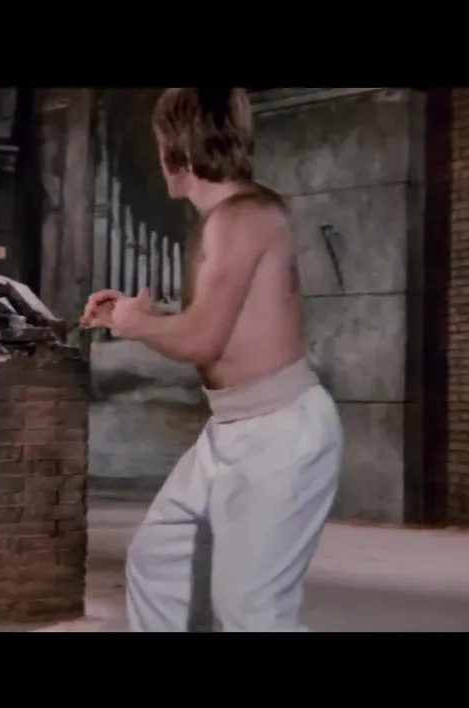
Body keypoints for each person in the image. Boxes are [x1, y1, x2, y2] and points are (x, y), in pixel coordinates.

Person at [81, 88, 343, 632]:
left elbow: (201, 340)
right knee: (159, 560)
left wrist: (134, 324)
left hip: (278, 431)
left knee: (252, 612)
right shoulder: (229, 216)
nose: (158, 157)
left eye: (159, 142)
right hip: (232, 428)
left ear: (178, 146)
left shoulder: (239, 218)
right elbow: (226, 325)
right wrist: (141, 315)